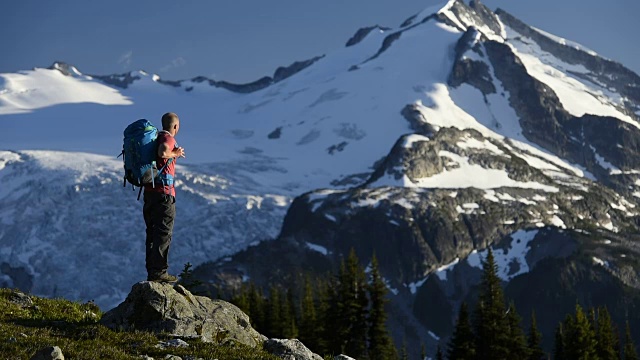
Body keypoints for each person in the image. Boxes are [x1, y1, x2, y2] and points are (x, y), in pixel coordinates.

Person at [143, 112, 186, 282]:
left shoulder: (155, 138)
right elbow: (163, 153)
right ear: (175, 126)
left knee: (152, 232)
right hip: (164, 195)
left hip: (150, 193)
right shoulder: (168, 139)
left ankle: (152, 271)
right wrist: (175, 153)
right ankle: (159, 272)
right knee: (163, 233)